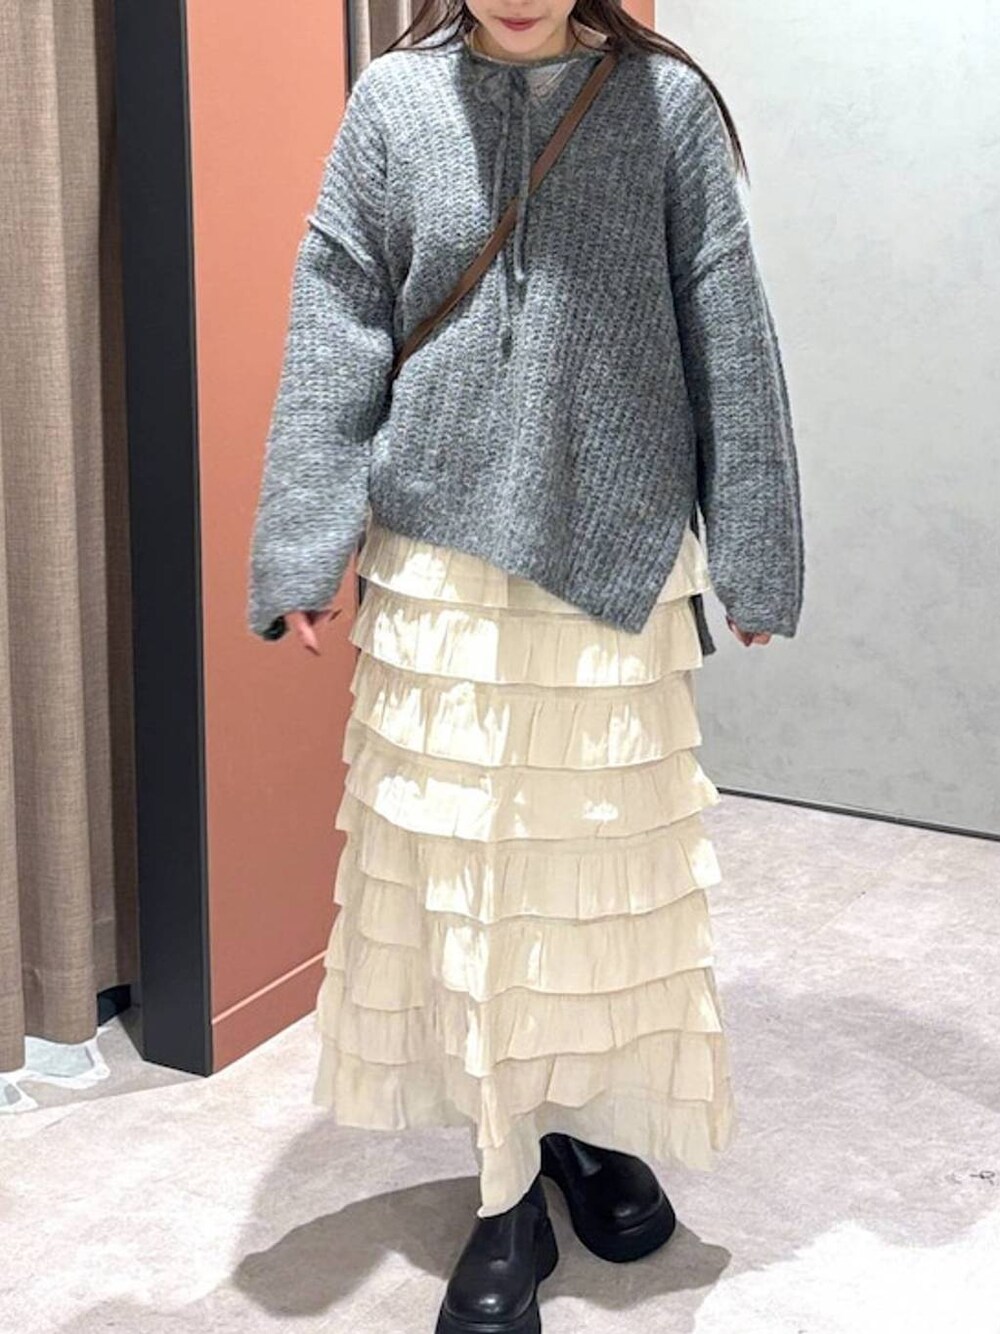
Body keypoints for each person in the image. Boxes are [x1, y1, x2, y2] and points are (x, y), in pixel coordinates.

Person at [246, 3, 804, 1330]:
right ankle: (502, 1187)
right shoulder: (394, 104)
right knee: (469, 887)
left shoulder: (663, 108)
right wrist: (305, 542)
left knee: (599, 880)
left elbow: (725, 315)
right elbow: (338, 313)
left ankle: (581, 1125)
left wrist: (756, 541)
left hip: (611, 551)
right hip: (439, 563)